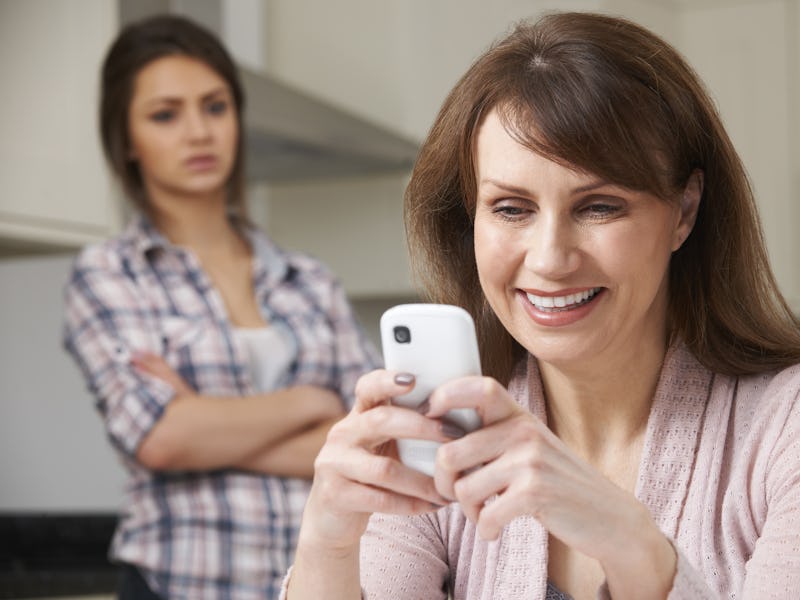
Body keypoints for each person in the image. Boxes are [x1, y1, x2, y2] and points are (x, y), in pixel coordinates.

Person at [283, 11, 800, 600]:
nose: (551, 258)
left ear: (683, 211)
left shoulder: (785, 432)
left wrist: (633, 547)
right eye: (510, 208)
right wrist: (326, 545)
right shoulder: (440, 445)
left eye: (600, 206)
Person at [62, 14, 379, 600]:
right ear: (127, 139)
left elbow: (372, 438)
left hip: (313, 586)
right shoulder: (110, 274)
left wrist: (204, 420)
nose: (198, 132)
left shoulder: (309, 280)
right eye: (165, 114)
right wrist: (310, 404)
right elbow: (161, 439)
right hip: (177, 584)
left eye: (215, 106)